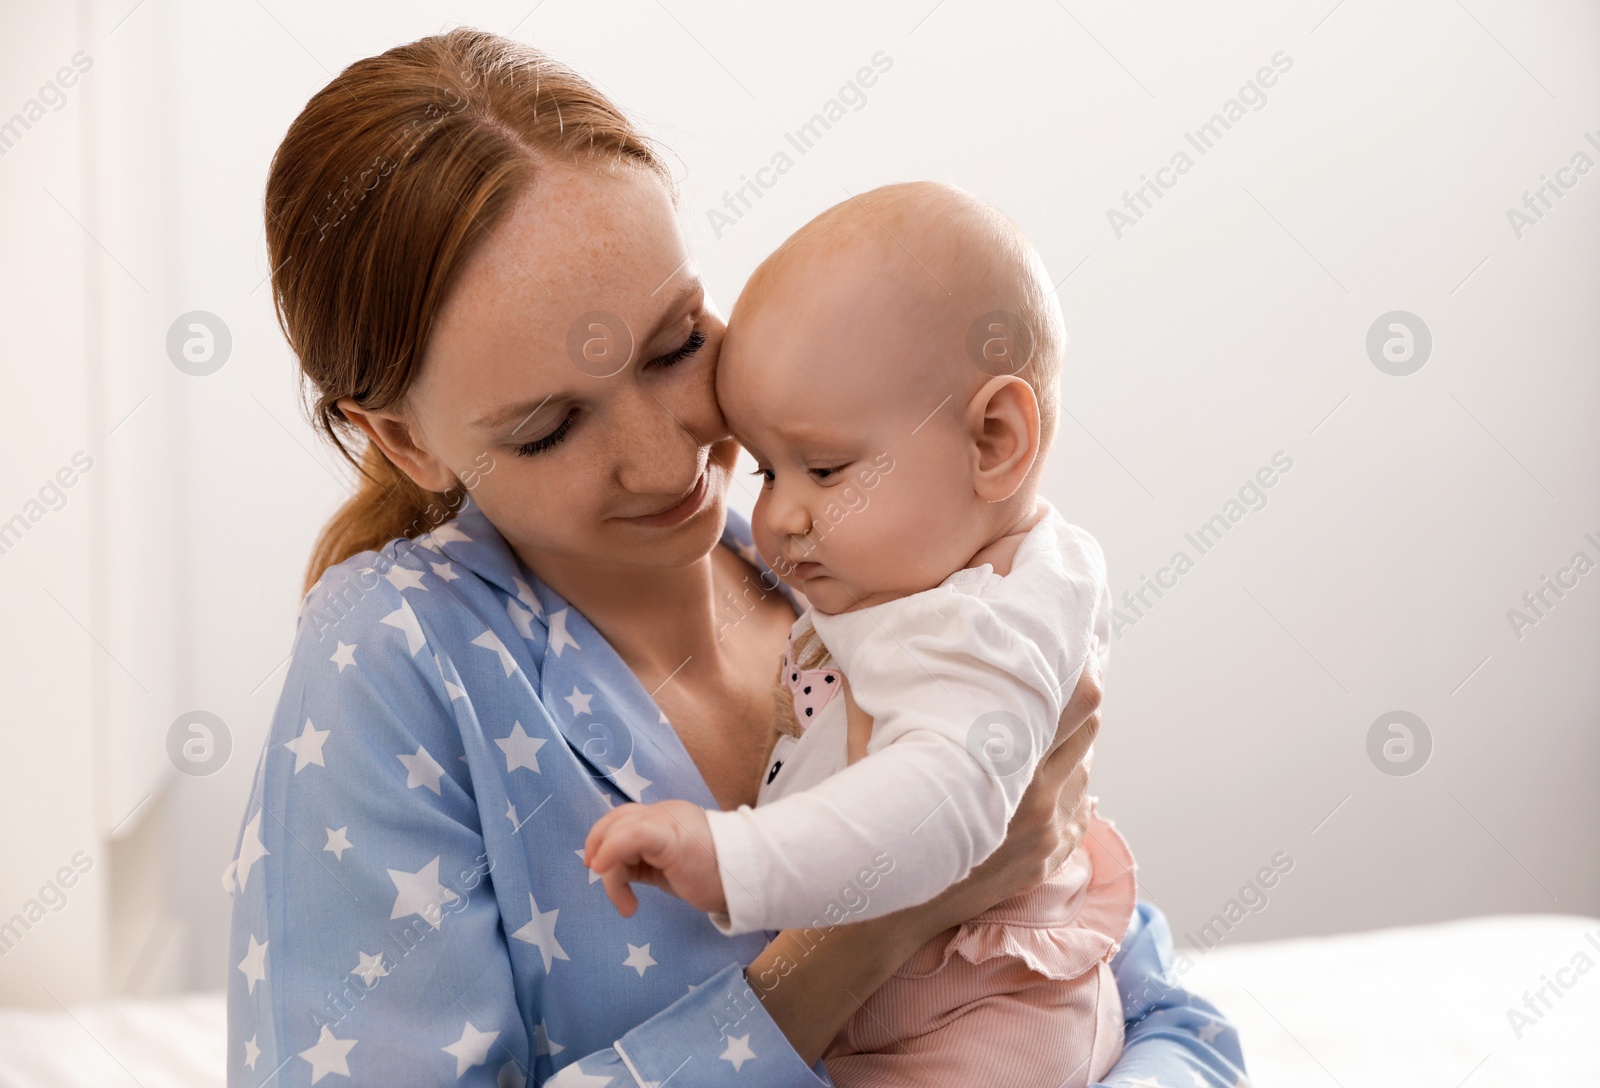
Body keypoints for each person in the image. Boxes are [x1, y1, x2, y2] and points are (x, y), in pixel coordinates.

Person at [226, 27, 1248, 1088]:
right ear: (403, 438)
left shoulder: (840, 558)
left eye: (675, 345)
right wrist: (868, 933)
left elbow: (1155, 1009)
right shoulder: (396, 659)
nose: (669, 458)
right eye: (548, 427)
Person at [585, 181, 1134, 1086]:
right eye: (767, 468)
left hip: (977, 1019)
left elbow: (939, 805)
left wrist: (729, 856)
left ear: (994, 441)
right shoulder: (931, 578)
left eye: (826, 468)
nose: (778, 517)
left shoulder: (979, 620)